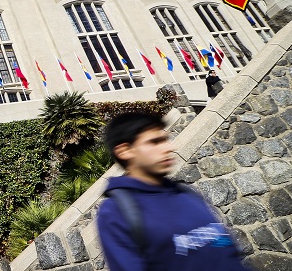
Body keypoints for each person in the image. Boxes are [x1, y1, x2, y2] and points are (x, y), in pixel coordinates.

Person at [97, 112, 248, 271]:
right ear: (124, 151)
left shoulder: (187, 194)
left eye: (165, 140)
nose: (169, 147)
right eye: (154, 142)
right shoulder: (115, 212)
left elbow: (224, 250)